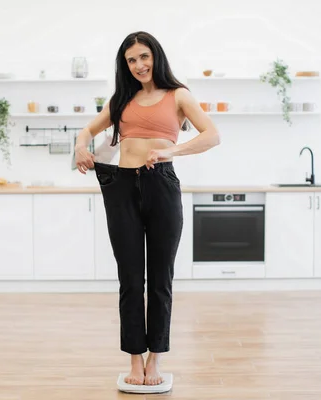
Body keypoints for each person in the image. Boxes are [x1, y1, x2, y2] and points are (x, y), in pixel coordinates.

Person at [74, 31, 220, 386]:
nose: (139, 65)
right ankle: (134, 360)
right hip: (122, 187)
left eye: (143, 57)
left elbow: (211, 135)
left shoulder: (178, 95)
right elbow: (88, 130)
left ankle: (155, 359)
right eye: (131, 60)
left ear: (156, 55)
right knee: (129, 280)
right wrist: (80, 146)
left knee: (160, 279)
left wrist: (172, 151)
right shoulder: (122, 98)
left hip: (161, 185)